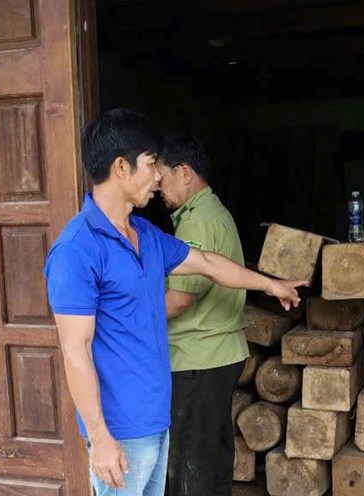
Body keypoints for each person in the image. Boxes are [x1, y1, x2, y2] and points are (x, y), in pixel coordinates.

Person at [43, 109, 305, 496]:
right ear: (121, 167)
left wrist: (270, 285)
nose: (157, 177)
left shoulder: (147, 236)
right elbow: (75, 350)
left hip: (157, 416)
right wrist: (99, 438)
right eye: (151, 164)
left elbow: (208, 264)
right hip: (120, 429)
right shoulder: (76, 250)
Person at [156, 134, 247, 496]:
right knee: (213, 457)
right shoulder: (215, 212)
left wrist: (128, 321)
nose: (157, 187)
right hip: (219, 354)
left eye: (162, 177)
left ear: (184, 173)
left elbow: (179, 300)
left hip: (197, 358)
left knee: (187, 466)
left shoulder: (196, 222)